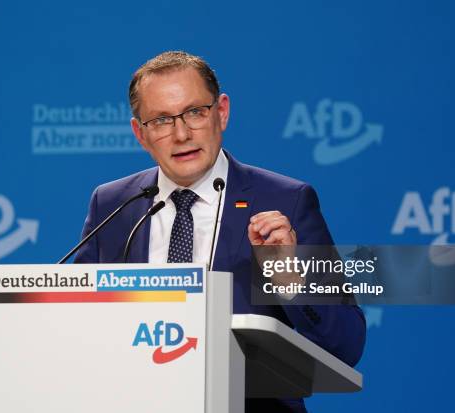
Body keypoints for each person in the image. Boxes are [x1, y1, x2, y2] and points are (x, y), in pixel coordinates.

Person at [74, 51, 366, 412]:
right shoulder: (114, 204)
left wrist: (291, 281)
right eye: (162, 120)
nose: (182, 134)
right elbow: (75, 319)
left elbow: (346, 346)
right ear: (140, 133)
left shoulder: (286, 200)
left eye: (195, 112)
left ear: (222, 112)